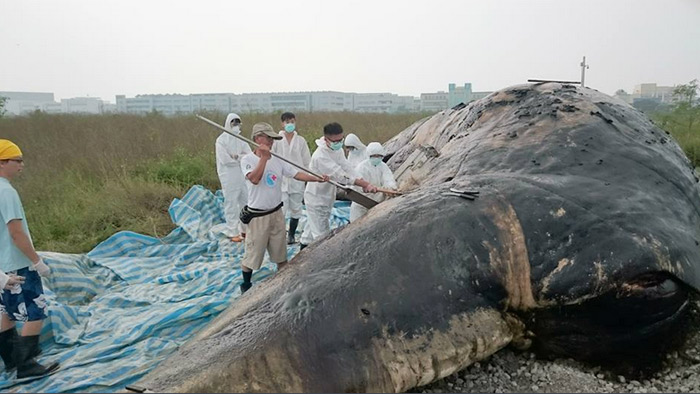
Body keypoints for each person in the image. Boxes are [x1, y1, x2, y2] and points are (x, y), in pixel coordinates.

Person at [239, 123, 328, 293]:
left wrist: (316, 178)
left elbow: (296, 174)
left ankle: (284, 286)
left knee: (281, 255)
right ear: (258, 139)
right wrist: (264, 158)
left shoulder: (278, 159)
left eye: (273, 138)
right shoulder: (247, 160)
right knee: (252, 256)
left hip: (276, 214)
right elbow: (255, 179)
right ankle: (246, 285)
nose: (272, 142)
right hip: (258, 216)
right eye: (268, 138)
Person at [0, 139, 59, 378]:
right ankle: (27, 365)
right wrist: (36, 261)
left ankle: (11, 360)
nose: (21, 165)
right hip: (18, 264)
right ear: (2, 162)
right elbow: (16, 232)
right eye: (17, 160)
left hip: (3, 268)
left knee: (6, 312)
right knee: (36, 311)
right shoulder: (7, 192)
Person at [300, 123, 378, 249]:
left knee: (309, 233)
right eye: (335, 141)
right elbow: (340, 175)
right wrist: (363, 184)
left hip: (327, 196)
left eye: (340, 140)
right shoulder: (320, 156)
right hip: (316, 199)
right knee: (321, 236)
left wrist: (363, 180)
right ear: (326, 139)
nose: (338, 143)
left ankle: (300, 256)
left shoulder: (337, 150)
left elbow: (347, 166)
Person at [271, 112, 311, 245]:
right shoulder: (277, 139)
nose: (290, 124)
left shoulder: (301, 141)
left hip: (297, 179)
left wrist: (308, 178)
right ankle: (279, 235)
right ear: (282, 123)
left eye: (292, 121)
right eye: (287, 122)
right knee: (281, 209)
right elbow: (272, 159)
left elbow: (306, 161)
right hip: (281, 180)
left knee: (296, 208)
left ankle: (292, 235)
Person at [215, 113, 252, 242]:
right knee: (231, 203)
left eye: (237, 123)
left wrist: (237, 156)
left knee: (245, 202)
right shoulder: (221, 140)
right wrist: (237, 158)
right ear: (228, 124)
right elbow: (225, 160)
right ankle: (232, 231)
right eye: (233, 123)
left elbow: (248, 155)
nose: (235, 126)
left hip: (242, 175)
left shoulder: (241, 140)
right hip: (228, 176)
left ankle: (245, 229)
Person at [349, 142, 398, 222]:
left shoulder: (383, 166)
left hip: (377, 201)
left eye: (379, 156)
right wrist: (366, 189)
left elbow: (388, 179)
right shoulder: (362, 167)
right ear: (369, 155)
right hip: (362, 203)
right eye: (374, 156)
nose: (376, 158)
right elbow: (356, 186)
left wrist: (391, 188)